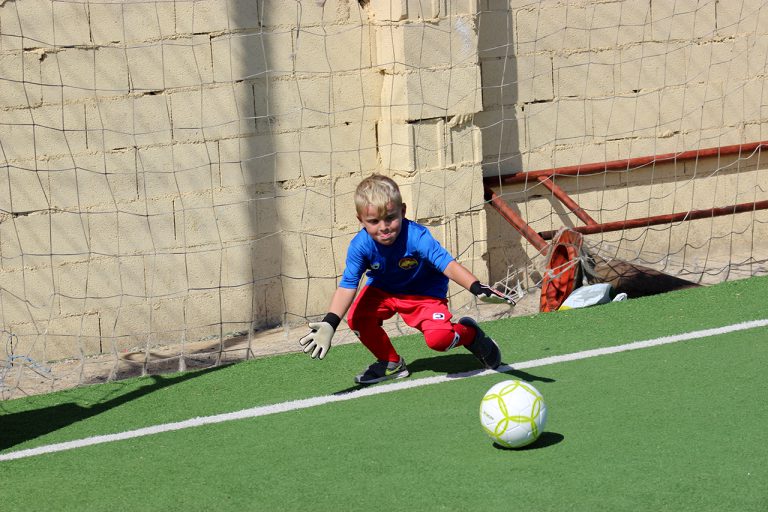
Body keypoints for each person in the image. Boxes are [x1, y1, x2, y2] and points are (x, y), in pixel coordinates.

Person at [298, 174, 511, 385]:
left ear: (403, 211)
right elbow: (347, 286)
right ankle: (391, 363)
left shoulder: (417, 236)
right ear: (360, 220)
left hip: (424, 294)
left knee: (440, 340)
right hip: (383, 290)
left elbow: (447, 264)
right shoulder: (360, 245)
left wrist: (476, 287)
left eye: (390, 217)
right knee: (358, 317)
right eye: (373, 221)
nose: (384, 227)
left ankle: (470, 334)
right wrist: (330, 323)